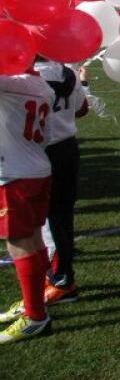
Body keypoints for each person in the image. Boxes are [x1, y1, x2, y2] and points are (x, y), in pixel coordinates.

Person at [0, 66, 55, 344]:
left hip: (14, 174)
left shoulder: (7, 82)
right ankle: (35, 301)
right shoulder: (42, 84)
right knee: (33, 237)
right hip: (37, 167)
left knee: (19, 242)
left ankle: (35, 317)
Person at [33, 58, 89, 304]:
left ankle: (61, 279)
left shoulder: (26, 77)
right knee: (63, 214)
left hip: (42, 150)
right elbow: (81, 108)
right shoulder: (69, 73)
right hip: (68, 148)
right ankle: (61, 274)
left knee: (48, 219)